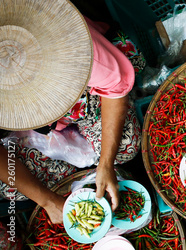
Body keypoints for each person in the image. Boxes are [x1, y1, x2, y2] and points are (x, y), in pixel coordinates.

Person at [0, 0, 140, 224]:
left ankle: (100, 172)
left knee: (126, 146)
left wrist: (105, 163)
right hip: (38, 127)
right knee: (12, 189)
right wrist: (47, 200)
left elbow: (114, 88)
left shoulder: (73, 44)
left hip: (85, 95)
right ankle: (85, 179)